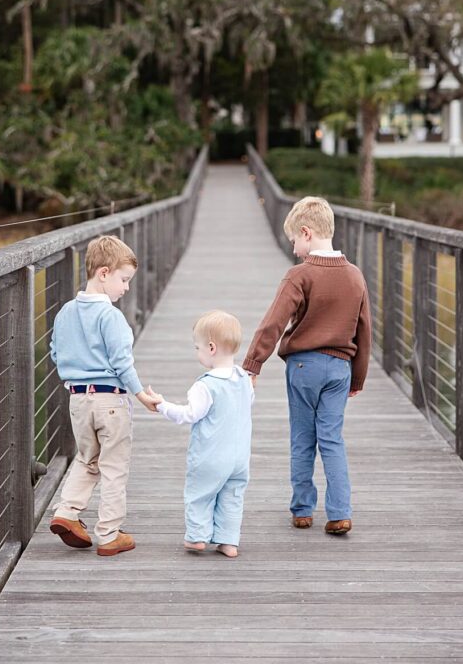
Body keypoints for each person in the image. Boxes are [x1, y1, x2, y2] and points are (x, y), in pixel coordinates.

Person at [242, 196, 372, 534]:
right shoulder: (355, 276)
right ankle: (340, 512)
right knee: (332, 439)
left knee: (303, 438)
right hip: (340, 369)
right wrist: (358, 377)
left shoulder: (300, 275)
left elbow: (274, 321)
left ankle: (302, 509)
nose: (296, 249)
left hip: (303, 367)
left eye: (295, 242)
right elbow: (364, 330)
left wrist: (253, 364)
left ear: (306, 232)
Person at [49, 234, 160, 556]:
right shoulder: (110, 316)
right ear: (103, 273)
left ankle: (66, 513)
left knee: (87, 459)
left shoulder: (66, 312)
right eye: (123, 280)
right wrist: (139, 395)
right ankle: (109, 534)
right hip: (110, 400)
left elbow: (55, 352)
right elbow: (122, 361)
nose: (125, 288)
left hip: (78, 400)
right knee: (113, 467)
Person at [148, 310, 253, 558]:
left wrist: (162, 405)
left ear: (211, 347)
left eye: (197, 348)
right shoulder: (244, 379)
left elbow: (189, 414)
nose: (197, 353)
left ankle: (196, 537)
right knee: (232, 497)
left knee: (199, 495)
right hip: (239, 457)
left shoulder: (205, 385)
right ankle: (228, 542)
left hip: (210, 457)